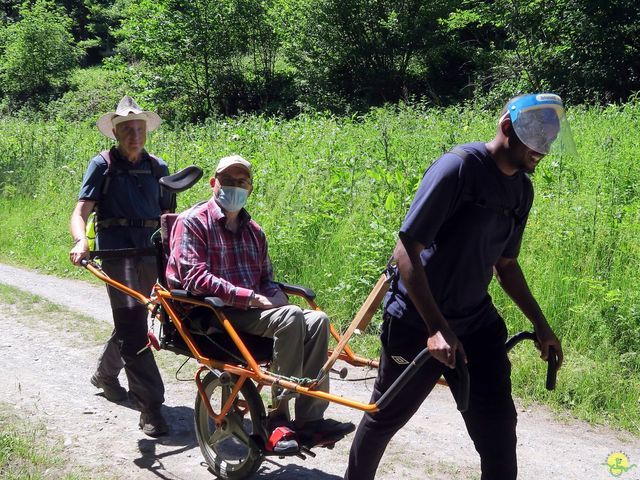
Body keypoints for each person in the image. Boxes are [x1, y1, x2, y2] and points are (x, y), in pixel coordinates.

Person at [344, 93, 574, 479]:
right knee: (385, 416)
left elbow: (506, 265)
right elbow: (406, 251)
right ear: (507, 127)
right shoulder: (459, 169)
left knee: (498, 429)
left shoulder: (522, 190)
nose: (544, 147)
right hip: (417, 321)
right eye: (537, 136)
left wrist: (542, 325)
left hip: (474, 320)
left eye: (550, 137)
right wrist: (435, 327)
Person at [165, 154, 354, 447]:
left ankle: (310, 418)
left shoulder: (255, 231)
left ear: (250, 188)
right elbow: (194, 278)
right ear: (214, 183)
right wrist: (251, 298)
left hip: (249, 311)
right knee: (291, 316)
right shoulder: (193, 222)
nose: (234, 187)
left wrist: (272, 293)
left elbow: (265, 277)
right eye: (227, 181)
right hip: (214, 312)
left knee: (318, 320)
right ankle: (278, 416)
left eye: (241, 182)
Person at [69, 96, 173, 437]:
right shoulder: (102, 164)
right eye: (127, 128)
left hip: (151, 253)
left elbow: (171, 218)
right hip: (115, 254)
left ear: (146, 131)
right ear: (115, 132)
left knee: (132, 320)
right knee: (132, 324)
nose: (134, 134)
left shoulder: (159, 167)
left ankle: (105, 374)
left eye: (139, 128)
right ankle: (151, 407)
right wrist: (82, 239)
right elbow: (81, 211)